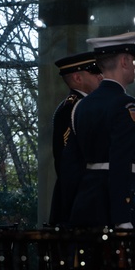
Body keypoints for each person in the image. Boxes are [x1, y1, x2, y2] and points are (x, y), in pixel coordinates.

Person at [68, 32, 135, 228]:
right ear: (124, 61)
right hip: (112, 207)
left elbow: (73, 163)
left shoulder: (81, 105)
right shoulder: (126, 104)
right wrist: (122, 218)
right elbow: (120, 162)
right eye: (134, 61)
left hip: (85, 203)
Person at [48, 51, 103, 226]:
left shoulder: (84, 106)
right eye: (95, 71)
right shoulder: (74, 108)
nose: (101, 76)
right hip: (77, 198)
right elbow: (68, 162)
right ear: (78, 78)